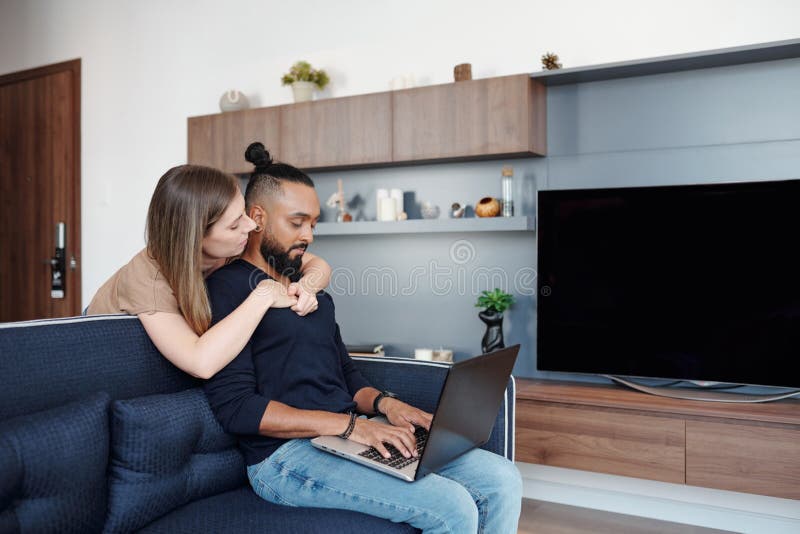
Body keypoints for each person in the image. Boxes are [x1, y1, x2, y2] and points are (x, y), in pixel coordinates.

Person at [204, 143, 522, 534]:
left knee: (501, 478)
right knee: (451, 506)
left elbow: (346, 374)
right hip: (283, 459)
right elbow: (238, 408)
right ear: (258, 218)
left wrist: (388, 405)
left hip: (344, 435)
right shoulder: (229, 289)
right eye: (297, 222)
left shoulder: (313, 291)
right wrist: (352, 427)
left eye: (314, 224)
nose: (309, 236)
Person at [87, 163, 332, 379]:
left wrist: (306, 287)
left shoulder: (231, 246)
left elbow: (317, 264)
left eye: (243, 214)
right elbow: (200, 363)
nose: (250, 225)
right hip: (97, 349)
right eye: (235, 224)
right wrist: (265, 294)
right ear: (195, 239)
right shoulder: (148, 282)